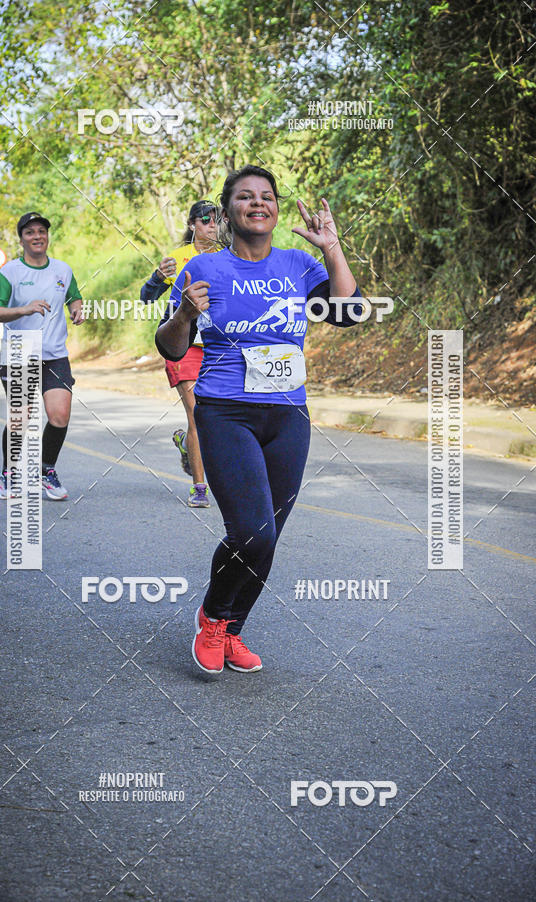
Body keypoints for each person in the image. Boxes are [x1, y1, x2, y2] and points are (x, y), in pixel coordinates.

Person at [155, 165, 364, 675]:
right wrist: (184, 314)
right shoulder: (204, 267)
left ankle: (233, 630)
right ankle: (212, 617)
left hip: (288, 414)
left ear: (275, 208)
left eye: (266, 196)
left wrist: (332, 249)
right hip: (226, 412)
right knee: (253, 532)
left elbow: (347, 312)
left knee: (270, 533)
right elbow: (171, 346)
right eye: (245, 196)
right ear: (228, 212)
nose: (257, 203)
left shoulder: (299, 264)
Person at [0, 212, 83, 501]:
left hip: (54, 354)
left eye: (41, 231)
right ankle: (9, 472)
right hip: (20, 350)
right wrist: (25, 309)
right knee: (21, 417)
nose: (37, 236)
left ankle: (45, 471)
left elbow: (74, 297)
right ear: (21, 239)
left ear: (47, 236)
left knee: (60, 415)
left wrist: (77, 310)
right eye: (30, 232)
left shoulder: (62, 270)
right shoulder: (10, 272)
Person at [140, 200, 216, 507]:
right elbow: (146, 298)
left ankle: (186, 442)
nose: (213, 225)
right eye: (206, 219)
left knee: (216, 417)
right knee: (197, 415)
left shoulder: (232, 256)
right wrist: (157, 278)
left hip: (219, 348)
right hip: (184, 348)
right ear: (193, 225)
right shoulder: (179, 258)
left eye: (218, 219)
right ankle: (199, 487)